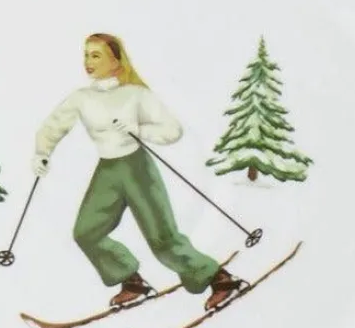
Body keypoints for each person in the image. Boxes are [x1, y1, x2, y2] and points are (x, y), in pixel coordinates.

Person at [33, 33, 246, 312]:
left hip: (136, 167)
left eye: (96, 55)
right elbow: (53, 126)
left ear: (115, 59)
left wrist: (139, 131)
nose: (88, 62)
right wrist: (42, 152)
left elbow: (173, 130)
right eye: (86, 55)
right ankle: (132, 283)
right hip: (107, 170)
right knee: (86, 232)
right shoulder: (81, 98)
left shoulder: (136, 94)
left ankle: (220, 280)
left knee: (163, 240)